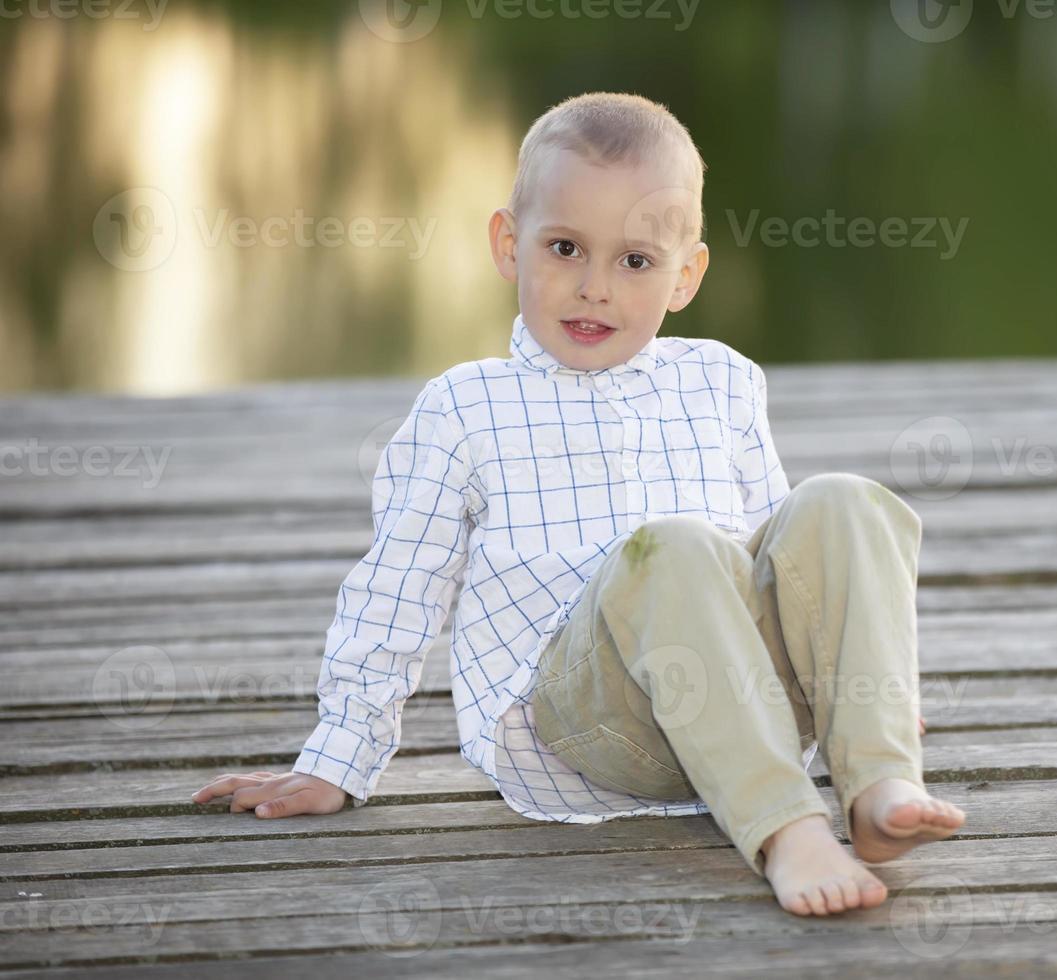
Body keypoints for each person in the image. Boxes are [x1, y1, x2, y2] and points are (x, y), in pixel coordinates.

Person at [191, 91, 964, 917]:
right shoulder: (466, 409)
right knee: (671, 549)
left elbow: (788, 563)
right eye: (565, 248)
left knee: (844, 501)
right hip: (581, 728)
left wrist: (852, 679)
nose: (594, 288)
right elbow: (399, 590)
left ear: (685, 277)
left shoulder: (723, 381)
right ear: (507, 244)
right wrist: (337, 757)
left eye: (634, 262)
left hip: (741, 708)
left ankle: (877, 783)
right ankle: (787, 829)